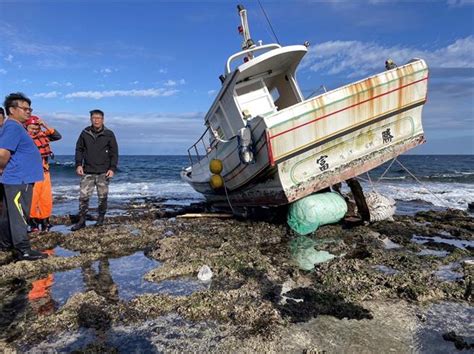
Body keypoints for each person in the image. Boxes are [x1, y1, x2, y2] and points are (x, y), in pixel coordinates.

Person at [0, 92, 47, 260]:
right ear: (12, 110)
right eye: (25, 109)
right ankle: (23, 250)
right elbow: (3, 153)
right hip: (19, 179)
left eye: (30, 108)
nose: (29, 112)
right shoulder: (12, 126)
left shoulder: (15, 126)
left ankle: (5, 245)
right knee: (20, 214)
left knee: (8, 215)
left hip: (17, 179)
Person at [71, 109, 118, 231]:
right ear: (90, 119)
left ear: (103, 119)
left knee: (102, 197)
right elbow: (79, 149)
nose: (96, 120)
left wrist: (112, 168)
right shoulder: (85, 133)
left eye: (99, 118)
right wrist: (78, 165)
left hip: (104, 172)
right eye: (94, 118)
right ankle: (82, 221)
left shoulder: (109, 134)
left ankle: (100, 220)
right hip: (87, 171)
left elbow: (114, 153)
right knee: (83, 197)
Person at [25, 116, 62, 232]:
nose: (34, 130)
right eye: (32, 127)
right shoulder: (24, 138)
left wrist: (44, 124)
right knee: (32, 199)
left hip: (45, 171)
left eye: (37, 127)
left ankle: (45, 222)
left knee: (45, 198)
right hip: (31, 172)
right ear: (26, 127)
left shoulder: (43, 135)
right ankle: (33, 224)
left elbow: (57, 136)